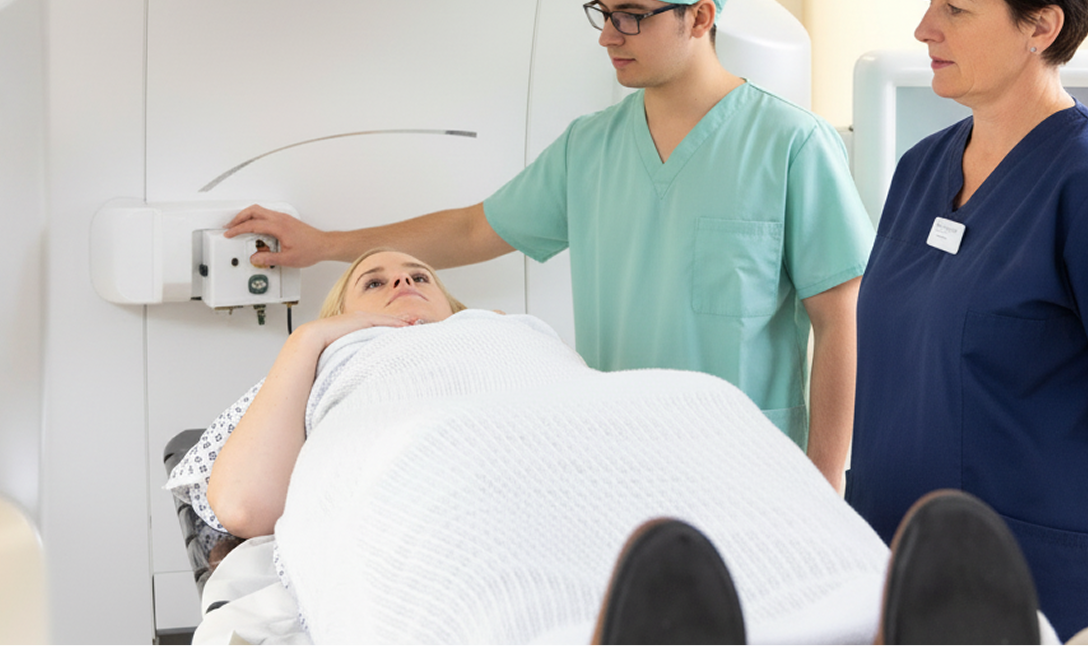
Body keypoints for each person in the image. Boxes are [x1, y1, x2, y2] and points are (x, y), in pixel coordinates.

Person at [226, 0, 874, 488]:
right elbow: (475, 229)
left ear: (699, 17)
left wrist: (824, 477)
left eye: (630, 16)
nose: (606, 34)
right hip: (613, 454)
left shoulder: (790, 144)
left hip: (748, 459)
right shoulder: (590, 148)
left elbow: (839, 320)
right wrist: (324, 245)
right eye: (603, 11)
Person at [171, 251, 1055, 646]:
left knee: (701, 404)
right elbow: (244, 506)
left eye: (419, 275)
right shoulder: (331, 367)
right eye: (376, 279)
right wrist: (313, 343)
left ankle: (876, 623)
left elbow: (579, 403)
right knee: (450, 476)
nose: (403, 284)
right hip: (428, 448)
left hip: (585, 420)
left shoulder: (507, 328)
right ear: (341, 310)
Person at [847, 0, 1088, 642]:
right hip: (882, 556)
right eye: (928, 0)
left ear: (1040, 26)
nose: (925, 28)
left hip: (1027, 581)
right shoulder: (922, 169)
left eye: (955, 6)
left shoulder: (1076, 180)